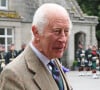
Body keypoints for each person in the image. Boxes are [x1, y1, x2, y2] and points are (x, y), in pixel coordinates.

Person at [0, 3, 73, 90]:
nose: (63, 39)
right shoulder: (13, 74)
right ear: (36, 32)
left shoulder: (53, 61)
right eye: (57, 31)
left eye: (66, 31)